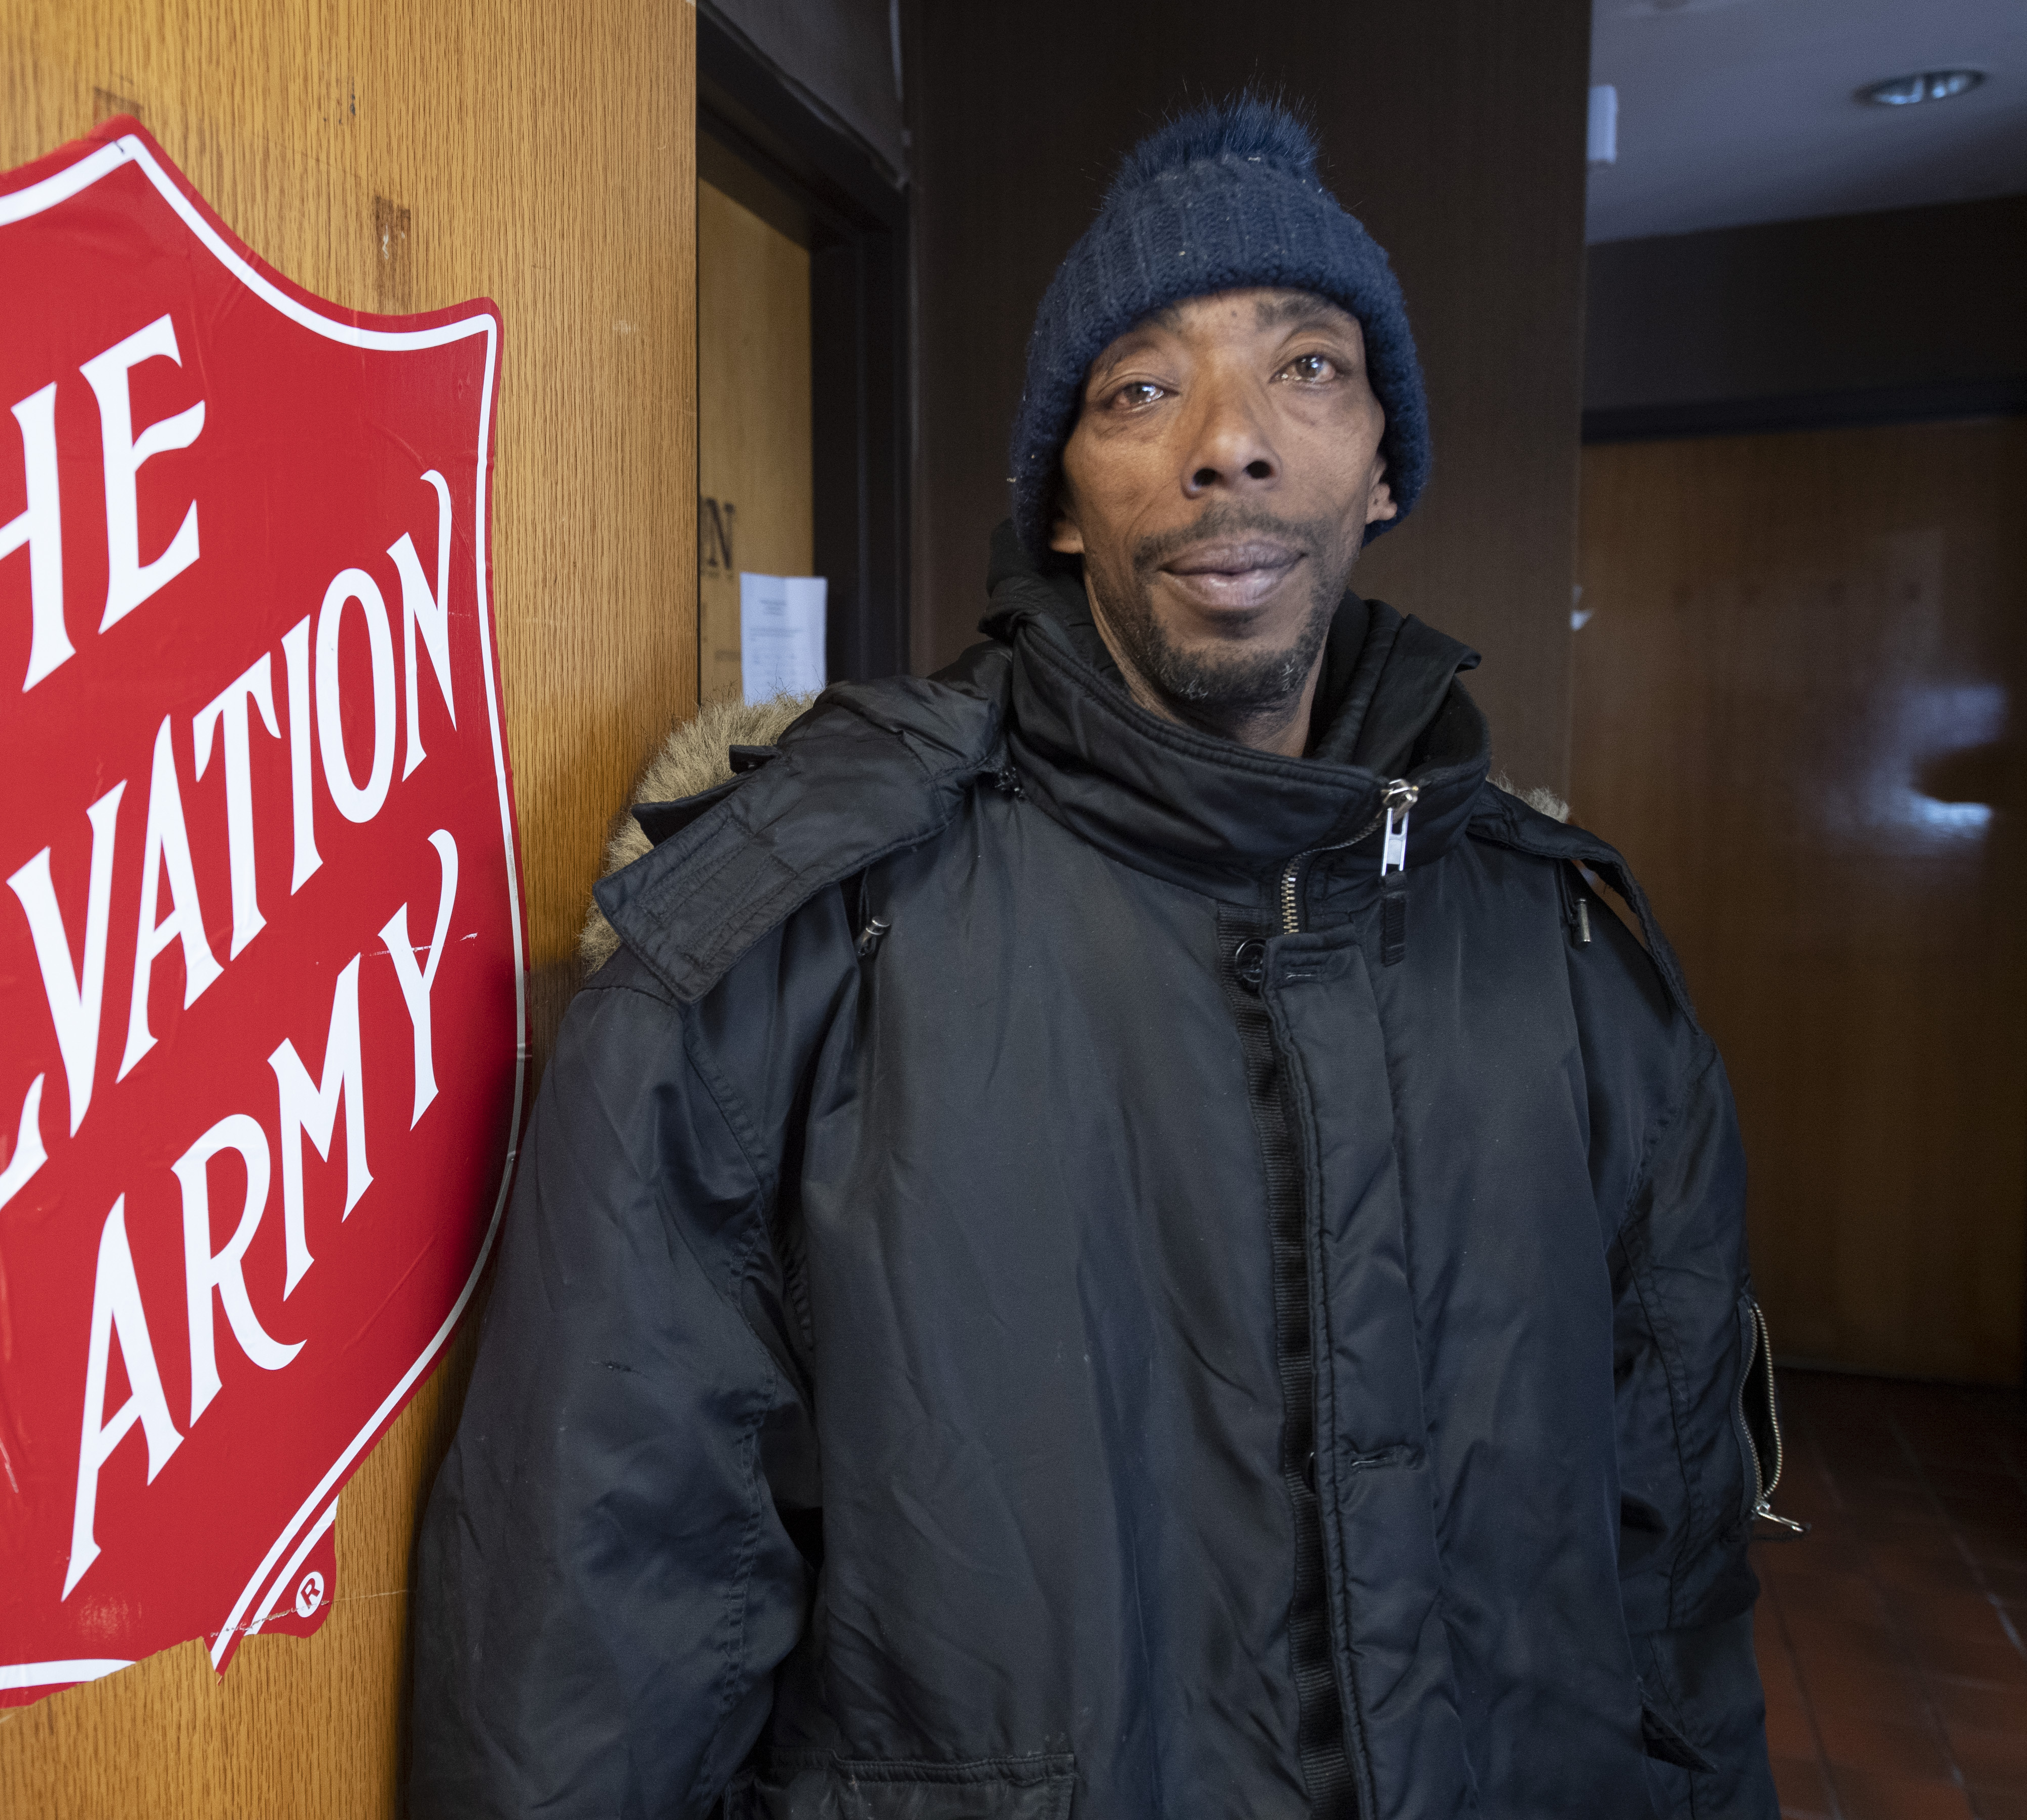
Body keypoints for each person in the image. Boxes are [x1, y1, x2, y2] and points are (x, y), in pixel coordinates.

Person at [408, 98, 1785, 1820]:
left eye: (1309, 370)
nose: (1232, 444)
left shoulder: (1569, 960)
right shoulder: (804, 937)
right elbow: (592, 1632)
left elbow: (1679, 1588)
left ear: (1384, 465)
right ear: (1062, 500)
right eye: (1142, 390)